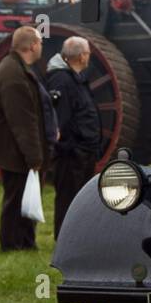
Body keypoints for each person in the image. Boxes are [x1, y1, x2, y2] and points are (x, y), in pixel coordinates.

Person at [0, 26, 52, 251]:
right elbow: (22, 122)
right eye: (40, 43)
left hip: (14, 148)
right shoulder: (14, 75)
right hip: (13, 150)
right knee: (16, 199)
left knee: (23, 197)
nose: (41, 47)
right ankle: (11, 244)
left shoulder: (15, 68)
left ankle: (26, 242)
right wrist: (34, 156)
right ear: (31, 46)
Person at [46, 36, 101, 239]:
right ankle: (64, 238)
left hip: (83, 150)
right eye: (87, 53)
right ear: (80, 56)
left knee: (80, 198)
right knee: (67, 198)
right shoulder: (61, 79)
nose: (88, 57)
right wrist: (70, 147)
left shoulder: (74, 78)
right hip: (72, 153)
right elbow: (61, 118)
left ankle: (78, 236)